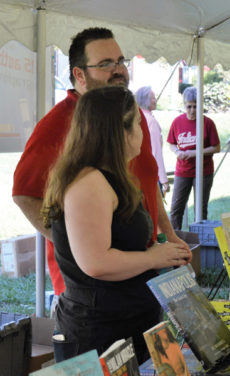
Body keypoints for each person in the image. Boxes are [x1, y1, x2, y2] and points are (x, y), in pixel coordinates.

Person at [12, 27, 189, 307]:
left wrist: (168, 235)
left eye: (120, 61)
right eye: (106, 64)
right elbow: (24, 194)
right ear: (79, 74)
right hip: (93, 289)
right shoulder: (57, 125)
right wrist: (76, 245)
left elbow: (147, 181)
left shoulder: (129, 114)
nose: (118, 70)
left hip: (141, 268)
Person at [41, 86, 192, 362]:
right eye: (137, 123)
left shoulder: (111, 176)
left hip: (125, 325)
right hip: (97, 334)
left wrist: (164, 247)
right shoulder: (88, 183)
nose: (142, 131)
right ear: (119, 131)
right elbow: (95, 263)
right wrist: (151, 258)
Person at [167, 86, 220, 230]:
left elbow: (216, 147)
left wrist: (194, 153)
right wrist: (177, 151)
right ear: (184, 105)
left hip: (203, 171)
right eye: (189, 106)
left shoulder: (207, 123)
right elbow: (171, 143)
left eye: (195, 107)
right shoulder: (177, 122)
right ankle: (176, 238)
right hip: (183, 170)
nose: (192, 110)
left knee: (200, 209)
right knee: (176, 207)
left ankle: (200, 240)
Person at [136, 86, 169, 196]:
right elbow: (156, 152)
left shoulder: (137, 118)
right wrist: (164, 179)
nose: (156, 100)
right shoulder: (150, 121)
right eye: (153, 98)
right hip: (152, 175)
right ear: (145, 100)